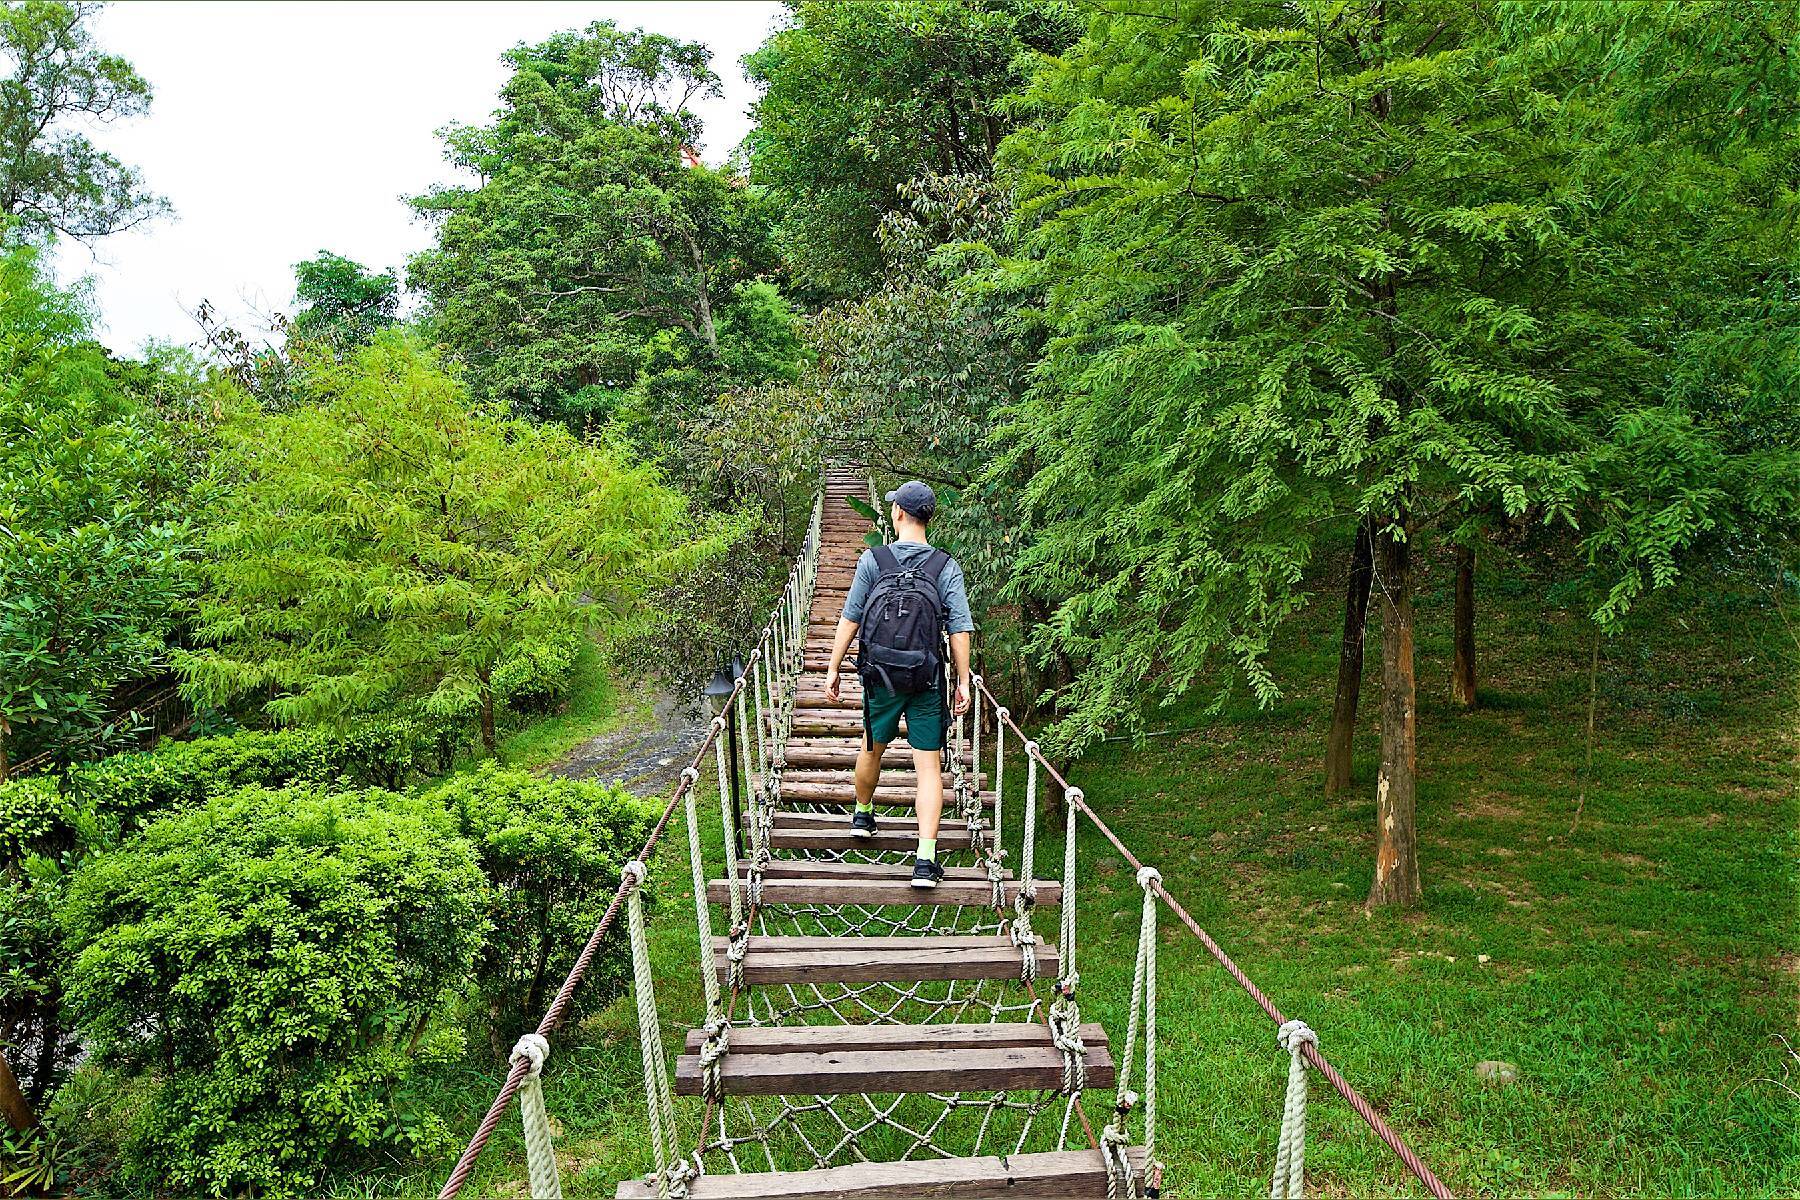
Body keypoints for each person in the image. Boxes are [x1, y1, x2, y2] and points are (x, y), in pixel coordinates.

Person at [822, 480, 974, 888]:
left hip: (880, 676)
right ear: (929, 518)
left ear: (899, 514)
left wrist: (834, 667)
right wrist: (963, 681)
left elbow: (851, 617)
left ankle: (862, 814)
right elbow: (959, 630)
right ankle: (925, 860)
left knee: (872, 746)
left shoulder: (874, 561)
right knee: (929, 768)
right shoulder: (946, 566)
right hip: (925, 678)